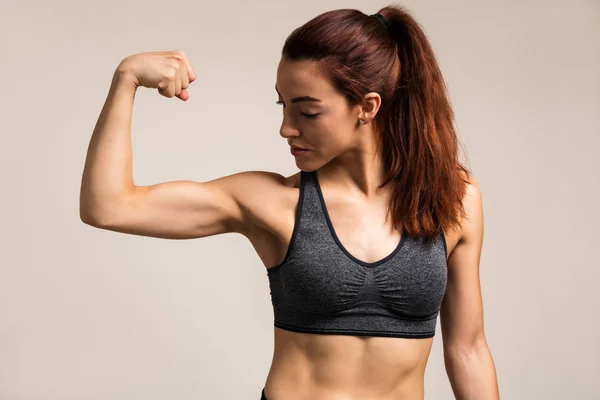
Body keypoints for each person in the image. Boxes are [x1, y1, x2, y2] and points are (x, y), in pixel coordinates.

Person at [79, 5, 499, 400]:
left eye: (308, 112)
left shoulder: (454, 200)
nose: (286, 129)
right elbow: (108, 206)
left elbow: (468, 349)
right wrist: (126, 77)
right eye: (283, 106)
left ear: (367, 107)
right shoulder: (274, 202)